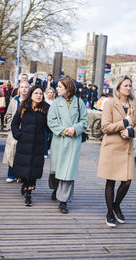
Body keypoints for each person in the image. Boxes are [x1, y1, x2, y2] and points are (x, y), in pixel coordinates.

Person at [97, 75, 136, 227]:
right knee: (111, 180)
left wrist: (131, 132)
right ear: (118, 88)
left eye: (130, 85)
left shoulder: (133, 105)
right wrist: (124, 123)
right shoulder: (110, 104)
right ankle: (110, 212)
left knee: (127, 181)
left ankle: (116, 205)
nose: (128, 88)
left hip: (127, 148)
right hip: (112, 147)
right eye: (125, 86)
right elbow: (105, 127)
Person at [47, 77, 88, 214]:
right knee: (56, 169)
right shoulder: (55, 103)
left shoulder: (79, 102)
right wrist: (64, 130)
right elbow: (51, 121)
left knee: (68, 171)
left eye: (60, 86)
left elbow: (84, 121)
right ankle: (56, 189)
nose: (57, 89)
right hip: (59, 140)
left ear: (68, 88)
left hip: (73, 141)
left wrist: (75, 128)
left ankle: (63, 201)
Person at [11, 86, 49, 206]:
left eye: (41, 94)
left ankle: (28, 194)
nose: (39, 95)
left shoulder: (46, 108)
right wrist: (18, 135)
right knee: (24, 167)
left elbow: (48, 127)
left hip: (38, 143)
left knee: (34, 169)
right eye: (36, 93)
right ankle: (25, 185)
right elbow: (14, 123)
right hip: (24, 142)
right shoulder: (24, 106)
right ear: (31, 94)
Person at [3, 81, 30, 183]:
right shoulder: (14, 100)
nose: (23, 89)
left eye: (26, 87)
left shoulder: (30, 102)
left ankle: (21, 175)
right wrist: (10, 126)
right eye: (21, 87)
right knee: (12, 152)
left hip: (26, 130)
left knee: (23, 153)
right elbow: (8, 114)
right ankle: (11, 174)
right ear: (18, 89)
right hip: (14, 130)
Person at [44, 87, 55, 158]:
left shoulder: (55, 102)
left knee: (51, 137)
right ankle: (45, 152)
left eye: (51, 92)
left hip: (53, 122)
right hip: (44, 122)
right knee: (44, 137)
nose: (50, 94)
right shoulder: (44, 101)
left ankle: (48, 148)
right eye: (49, 92)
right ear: (46, 93)